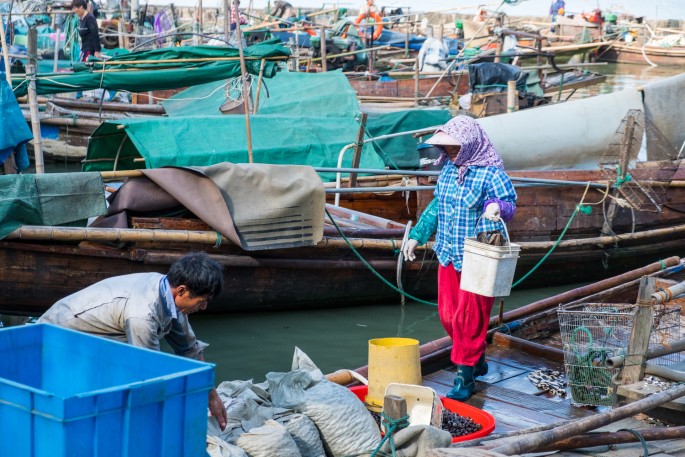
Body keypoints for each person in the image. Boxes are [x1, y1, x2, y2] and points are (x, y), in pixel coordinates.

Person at [38, 252, 229, 430]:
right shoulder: (143, 314)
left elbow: (189, 349)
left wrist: (211, 395)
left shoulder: (168, 293)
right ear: (181, 291)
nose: (204, 307)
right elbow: (149, 371)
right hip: (55, 336)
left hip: (94, 341)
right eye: (202, 301)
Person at [402, 116, 517, 401]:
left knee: (469, 320)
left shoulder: (491, 173)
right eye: (447, 147)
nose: (450, 152)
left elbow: (510, 204)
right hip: (448, 254)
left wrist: (495, 207)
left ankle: (464, 377)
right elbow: (436, 207)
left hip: (478, 257)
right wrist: (416, 235)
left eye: (454, 146)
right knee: (449, 316)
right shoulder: (449, 172)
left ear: (469, 144)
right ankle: (476, 360)